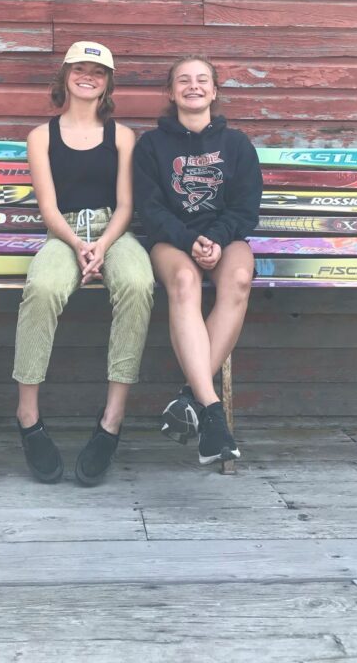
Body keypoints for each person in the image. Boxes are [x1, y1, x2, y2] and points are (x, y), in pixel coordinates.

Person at [13, 40, 154, 486]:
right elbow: (48, 207)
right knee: (43, 288)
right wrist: (78, 244)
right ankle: (28, 414)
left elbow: (128, 204)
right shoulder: (41, 136)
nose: (87, 75)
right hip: (64, 232)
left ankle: (111, 419)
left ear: (108, 81)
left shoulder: (123, 137)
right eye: (79, 68)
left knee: (137, 283)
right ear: (65, 75)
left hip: (115, 229)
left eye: (98, 70)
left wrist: (102, 244)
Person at [132, 55, 262, 465]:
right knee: (185, 283)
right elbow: (149, 208)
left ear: (214, 90)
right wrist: (190, 241)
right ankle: (212, 411)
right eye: (183, 80)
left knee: (240, 278)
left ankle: (190, 399)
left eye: (202, 80)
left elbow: (246, 207)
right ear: (171, 92)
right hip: (172, 241)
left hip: (226, 239)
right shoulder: (150, 146)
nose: (193, 86)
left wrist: (217, 240)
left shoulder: (237, 144)